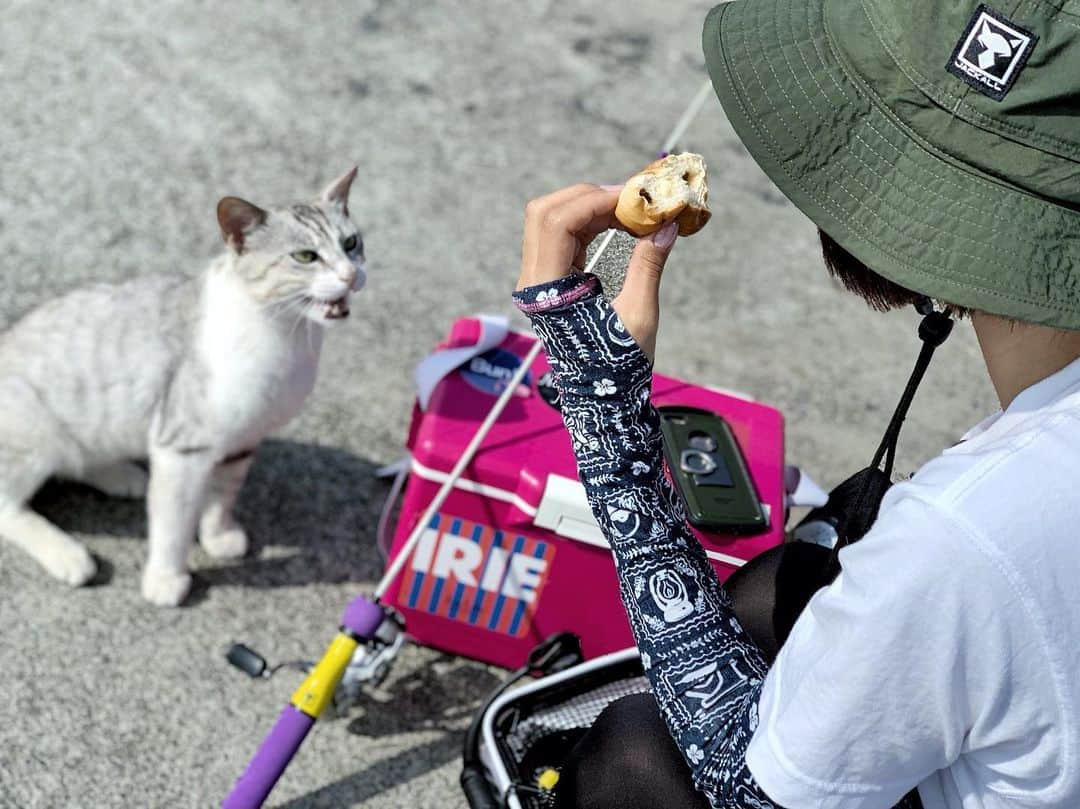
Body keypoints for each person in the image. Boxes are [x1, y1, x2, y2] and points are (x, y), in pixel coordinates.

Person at [511, 1, 1080, 807]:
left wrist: (606, 416)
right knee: (796, 581)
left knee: (633, 758)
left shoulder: (963, 537)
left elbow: (746, 787)